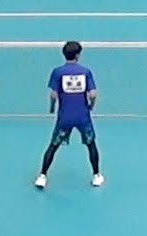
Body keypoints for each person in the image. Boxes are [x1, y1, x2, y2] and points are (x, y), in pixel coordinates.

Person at [36, 41, 103, 189]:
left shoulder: (58, 72)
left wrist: (52, 108)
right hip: (83, 117)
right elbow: (93, 94)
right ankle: (96, 176)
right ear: (78, 55)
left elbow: (53, 95)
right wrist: (91, 106)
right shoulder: (86, 72)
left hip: (64, 117)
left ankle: (42, 176)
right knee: (91, 144)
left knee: (53, 145)